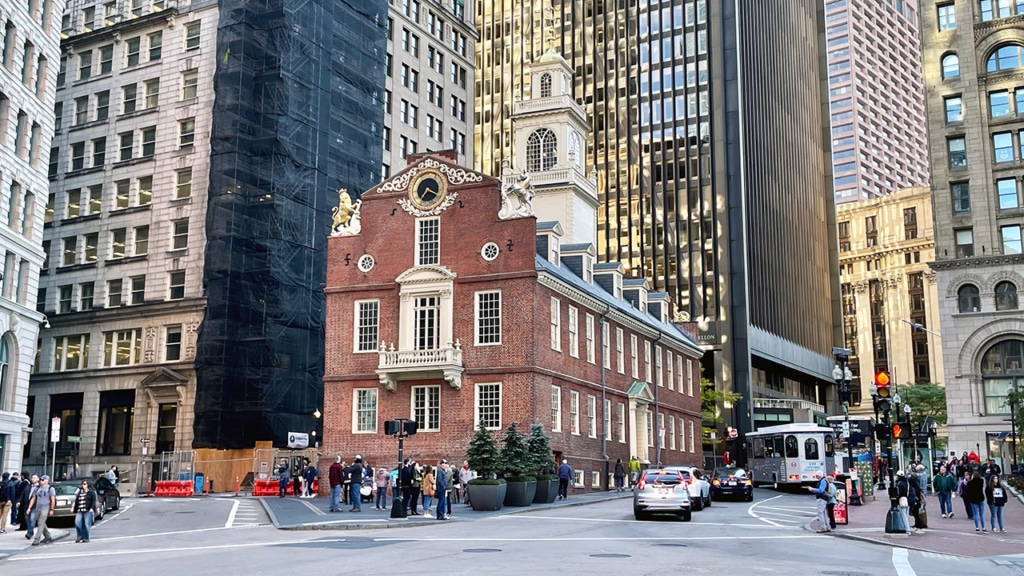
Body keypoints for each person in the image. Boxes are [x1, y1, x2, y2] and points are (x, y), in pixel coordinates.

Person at [28, 475, 56, 546]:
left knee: (41, 523)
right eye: (40, 480)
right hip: (38, 508)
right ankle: (48, 536)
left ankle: (36, 539)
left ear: (46, 481)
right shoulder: (37, 489)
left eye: (42, 480)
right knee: (41, 523)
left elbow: (52, 499)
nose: (41, 481)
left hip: (45, 508)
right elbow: (33, 498)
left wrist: (51, 509)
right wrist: (29, 508)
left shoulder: (50, 489)